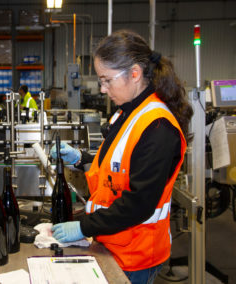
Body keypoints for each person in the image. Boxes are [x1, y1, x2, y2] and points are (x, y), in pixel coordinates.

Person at [50, 29, 193, 284]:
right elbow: (117, 169)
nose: (103, 89)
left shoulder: (158, 127)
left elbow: (139, 202)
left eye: (107, 80)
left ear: (135, 74)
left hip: (136, 254)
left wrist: (83, 226)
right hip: (113, 243)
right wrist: (80, 158)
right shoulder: (126, 113)